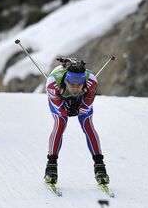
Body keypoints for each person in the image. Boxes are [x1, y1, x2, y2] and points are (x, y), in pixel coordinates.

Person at [44, 58, 110, 186]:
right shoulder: (53, 83)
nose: (75, 89)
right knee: (60, 125)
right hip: (60, 98)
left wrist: (78, 109)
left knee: (88, 126)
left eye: (78, 85)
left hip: (82, 98)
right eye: (71, 85)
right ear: (66, 81)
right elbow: (58, 108)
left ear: (83, 83)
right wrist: (66, 110)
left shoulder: (91, 82)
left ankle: (100, 167)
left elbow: (87, 105)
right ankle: (51, 166)